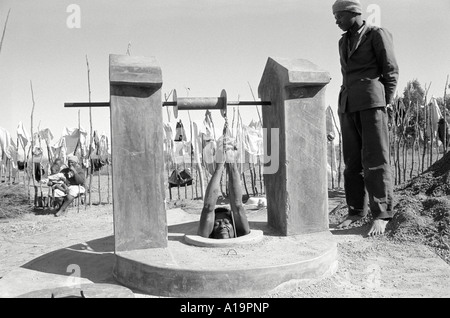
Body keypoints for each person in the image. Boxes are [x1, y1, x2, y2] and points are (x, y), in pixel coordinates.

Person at [332, 0, 399, 236]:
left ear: (353, 13)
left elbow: (390, 69)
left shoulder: (376, 34)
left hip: (372, 102)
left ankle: (382, 214)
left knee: (376, 159)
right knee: (351, 163)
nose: (336, 21)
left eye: (339, 16)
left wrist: (385, 100)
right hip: (348, 104)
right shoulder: (343, 41)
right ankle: (355, 211)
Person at [197, 137, 250, 239]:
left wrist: (231, 162)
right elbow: (208, 208)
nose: (222, 226)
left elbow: (238, 206)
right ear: (210, 229)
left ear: (235, 227)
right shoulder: (206, 236)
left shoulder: (241, 233)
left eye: (227, 222)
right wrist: (220, 165)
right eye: (216, 223)